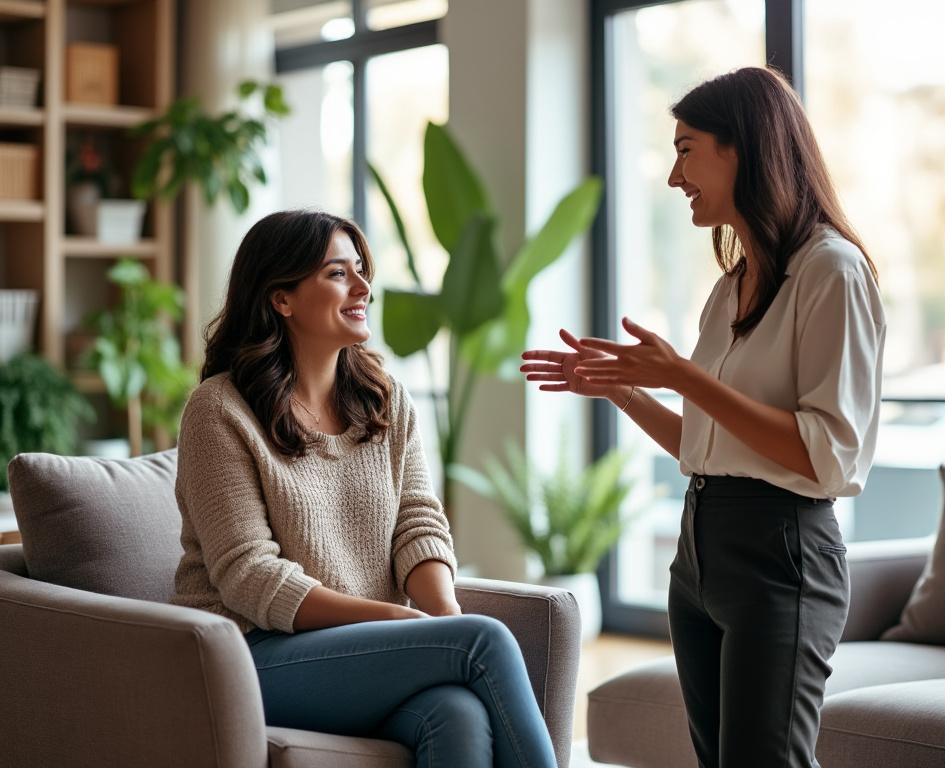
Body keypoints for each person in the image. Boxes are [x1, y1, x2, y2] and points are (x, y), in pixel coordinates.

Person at [522, 67, 885, 767]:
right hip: (699, 555)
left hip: (781, 553)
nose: (672, 175)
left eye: (686, 148)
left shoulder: (831, 273)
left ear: (741, 148)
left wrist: (680, 375)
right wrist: (623, 389)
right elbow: (705, 445)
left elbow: (827, 456)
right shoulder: (732, 286)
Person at [172, 209, 558, 768]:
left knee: (456, 714)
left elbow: (417, 524)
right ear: (282, 298)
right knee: (485, 641)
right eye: (337, 274)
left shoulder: (382, 397)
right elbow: (249, 576)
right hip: (248, 655)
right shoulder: (219, 410)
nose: (362, 287)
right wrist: (395, 621)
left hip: (356, 653)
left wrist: (443, 616)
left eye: (361, 270)